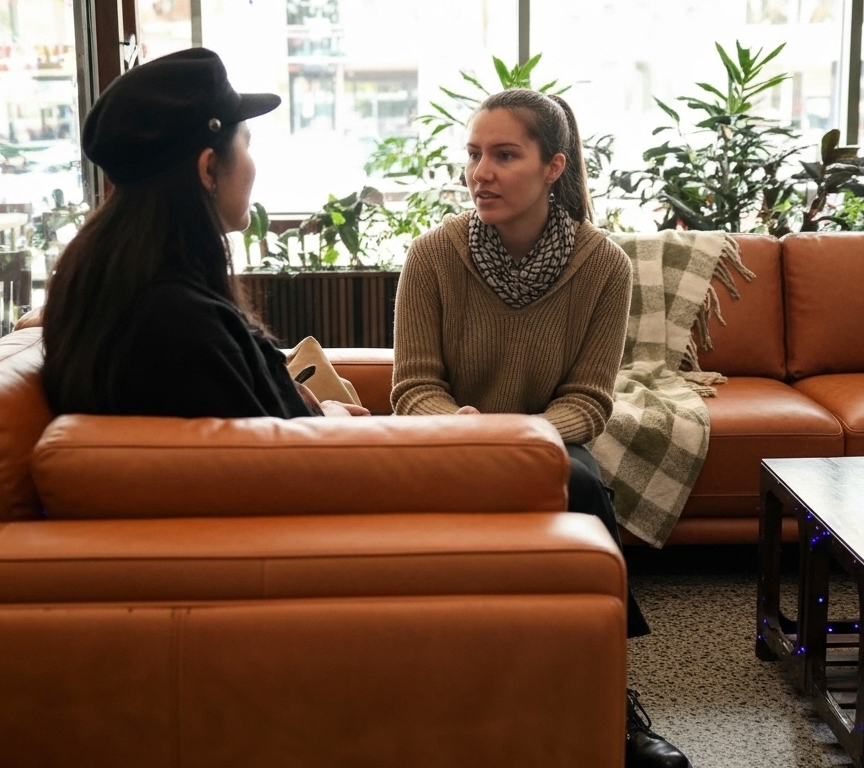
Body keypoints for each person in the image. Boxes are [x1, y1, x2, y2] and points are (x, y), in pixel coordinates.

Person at [391, 88, 691, 768]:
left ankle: (613, 708)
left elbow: (588, 401)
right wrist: (464, 431)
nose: (480, 173)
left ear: (553, 168)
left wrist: (521, 441)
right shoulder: (432, 256)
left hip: (545, 444)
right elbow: (413, 389)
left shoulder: (602, 265)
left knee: (583, 487)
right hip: (448, 445)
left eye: (504, 155)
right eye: (473, 155)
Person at [42, 48, 367, 420]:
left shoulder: (118, 284)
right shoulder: (179, 322)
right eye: (247, 144)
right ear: (209, 168)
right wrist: (333, 424)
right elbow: (271, 463)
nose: (252, 165)